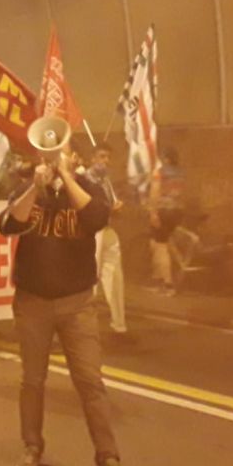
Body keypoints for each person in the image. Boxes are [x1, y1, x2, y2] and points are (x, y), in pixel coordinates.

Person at [0, 141, 132, 466]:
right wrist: (36, 187)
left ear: (73, 157)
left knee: (90, 381)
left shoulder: (87, 187)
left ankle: (108, 457)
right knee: (33, 380)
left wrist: (68, 178)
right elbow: (8, 224)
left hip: (77, 303)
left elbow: (97, 217)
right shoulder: (28, 189)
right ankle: (32, 446)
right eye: (48, 153)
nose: (54, 158)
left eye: (61, 152)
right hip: (33, 302)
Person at [88, 144, 129, 339]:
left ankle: (119, 323)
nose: (106, 161)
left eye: (108, 157)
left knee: (115, 277)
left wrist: (116, 208)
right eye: (102, 157)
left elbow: (110, 205)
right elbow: (89, 207)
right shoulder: (85, 180)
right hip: (92, 233)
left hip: (108, 229)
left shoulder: (106, 180)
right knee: (90, 279)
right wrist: (109, 210)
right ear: (93, 158)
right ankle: (86, 323)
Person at [147, 147, 186, 295]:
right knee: (156, 244)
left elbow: (155, 192)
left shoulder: (160, 172)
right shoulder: (180, 173)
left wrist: (153, 212)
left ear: (166, 159)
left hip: (163, 211)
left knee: (160, 246)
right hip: (177, 212)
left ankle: (168, 284)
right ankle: (158, 280)